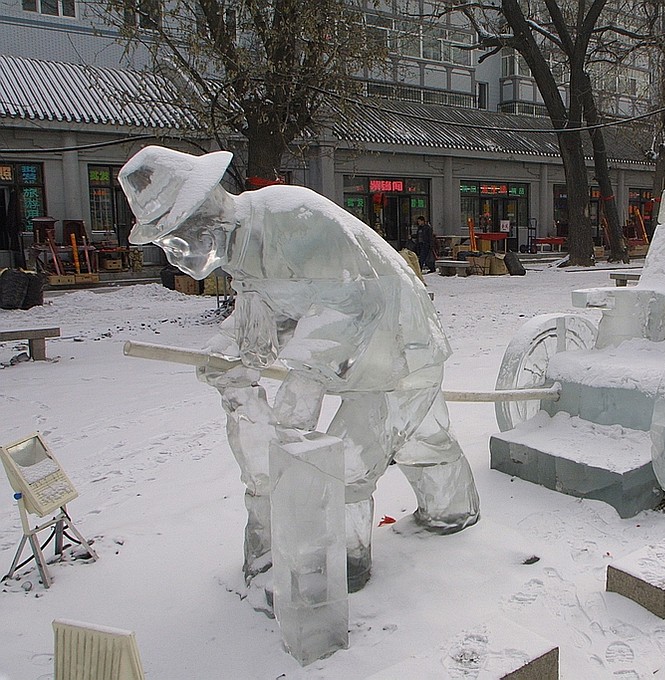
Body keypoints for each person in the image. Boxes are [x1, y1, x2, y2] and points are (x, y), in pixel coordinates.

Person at [118, 146, 480, 596]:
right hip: (361, 357)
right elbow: (265, 315)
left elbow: (350, 302)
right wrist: (228, 350)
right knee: (421, 438)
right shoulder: (240, 247)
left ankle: (340, 568)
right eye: (164, 246)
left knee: (346, 466)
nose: (175, 258)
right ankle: (451, 510)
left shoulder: (292, 217)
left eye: (175, 242)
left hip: (398, 347)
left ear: (206, 215)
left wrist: (300, 391)